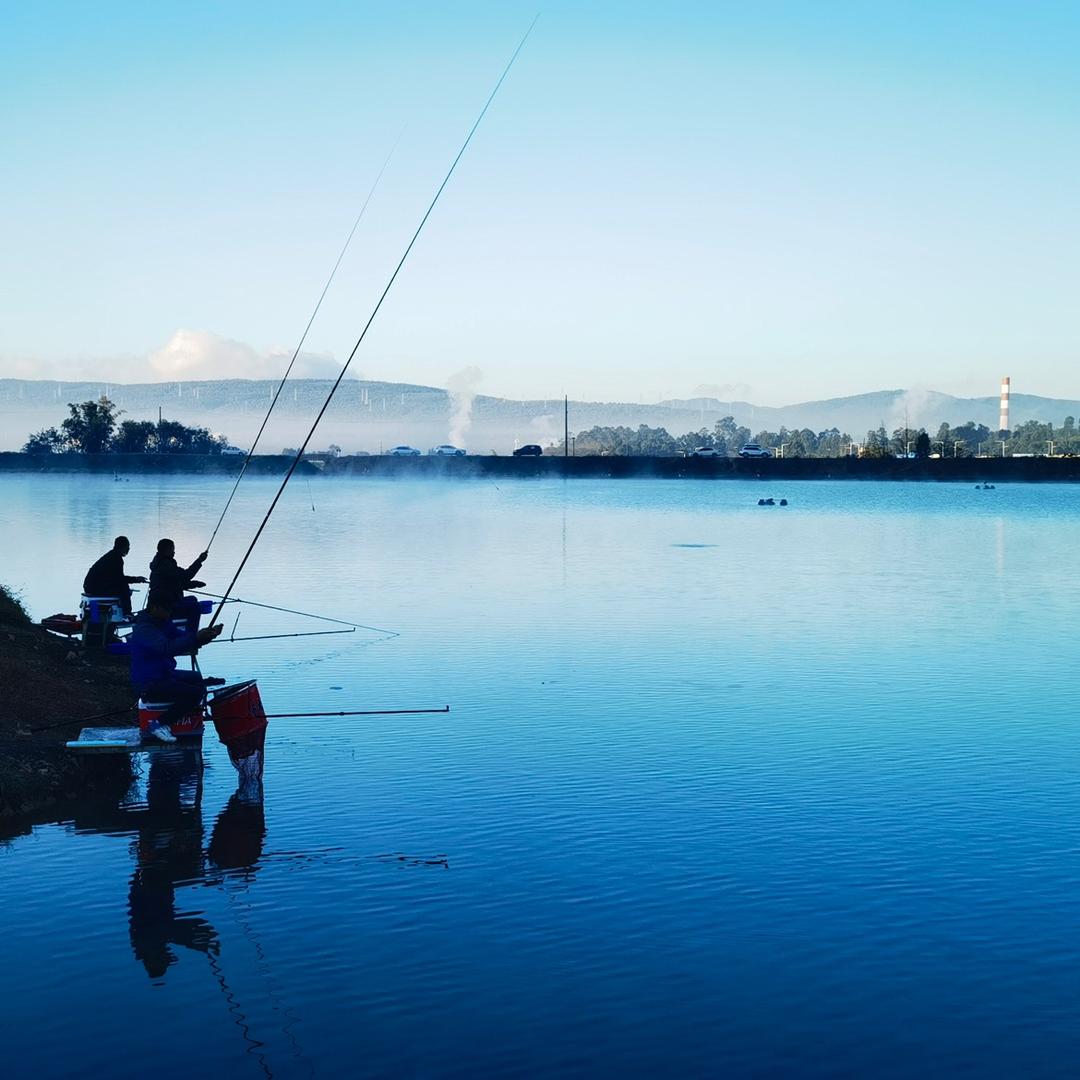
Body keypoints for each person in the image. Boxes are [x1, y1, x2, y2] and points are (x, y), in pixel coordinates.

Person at [130, 588, 223, 742]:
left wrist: (205, 636)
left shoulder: (163, 622)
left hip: (164, 672)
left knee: (196, 678)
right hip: (149, 681)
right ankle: (158, 724)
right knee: (195, 693)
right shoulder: (144, 629)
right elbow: (167, 647)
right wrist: (195, 638)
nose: (170, 612)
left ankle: (185, 716)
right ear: (154, 607)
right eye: (167, 609)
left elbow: (183, 639)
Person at [83, 535, 147, 617]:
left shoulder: (111, 555)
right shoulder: (116, 559)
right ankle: (127, 614)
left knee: (122, 587)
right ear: (122, 547)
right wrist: (136, 579)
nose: (128, 549)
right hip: (94, 588)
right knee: (124, 587)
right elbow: (120, 579)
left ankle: (123, 613)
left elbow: (115, 578)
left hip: (90, 586)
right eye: (127, 547)